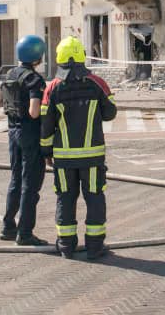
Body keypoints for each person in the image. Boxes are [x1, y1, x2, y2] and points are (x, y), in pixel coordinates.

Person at [41, 36, 117, 260]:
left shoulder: (52, 88)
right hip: (92, 157)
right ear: (82, 56)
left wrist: (46, 152)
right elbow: (110, 112)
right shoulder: (97, 83)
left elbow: (46, 126)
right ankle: (94, 247)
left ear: (60, 58)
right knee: (94, 198)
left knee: (65, 198)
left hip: (63, 159)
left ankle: (66, 246)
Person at [0, 34, 49, 246]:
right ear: (37, 57)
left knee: (15, 179)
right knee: (30, 184)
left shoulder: (9, 74)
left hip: (12, 133)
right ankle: (25, 233)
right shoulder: (35, 79)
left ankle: (8, 227)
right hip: (29, 134)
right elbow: (34, 112)